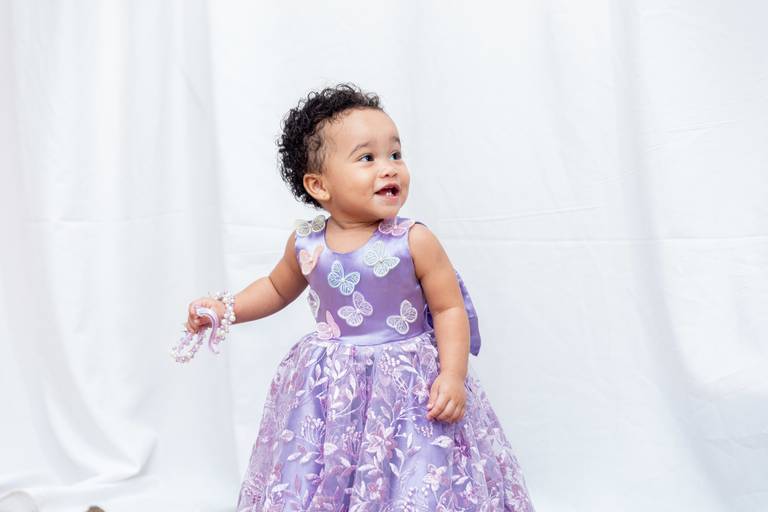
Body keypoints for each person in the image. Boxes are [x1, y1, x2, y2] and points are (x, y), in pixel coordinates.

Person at [183, 83, 536, 511]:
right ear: (319, 185)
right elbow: (275, 288)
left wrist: (452, 375)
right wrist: (227, 309)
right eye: (367, 158)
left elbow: (448, 308)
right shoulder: (307, 242)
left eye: (395, 154)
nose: (389, 168)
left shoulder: (413, 240)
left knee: (416, 469)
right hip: (332, 390)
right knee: (329, 468)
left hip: (409, 387)